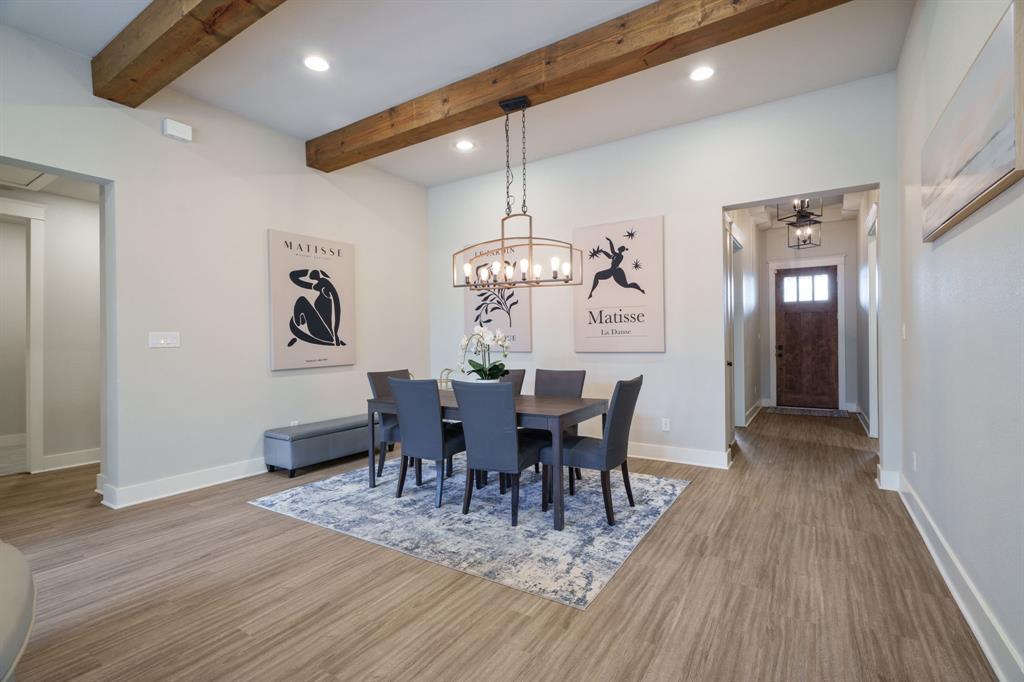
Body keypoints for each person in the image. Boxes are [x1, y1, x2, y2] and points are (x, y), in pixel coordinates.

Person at [286, 269, 345, 347]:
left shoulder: (325, 287)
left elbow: (337, 311)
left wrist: (335, 333)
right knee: (302, 302)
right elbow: (297, 280)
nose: (315, 284)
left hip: (324, 333)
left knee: (302, 301)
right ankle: (300, 322)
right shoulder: (323, 288)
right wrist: (306, 272)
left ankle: (298, 324)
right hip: (324, 333)